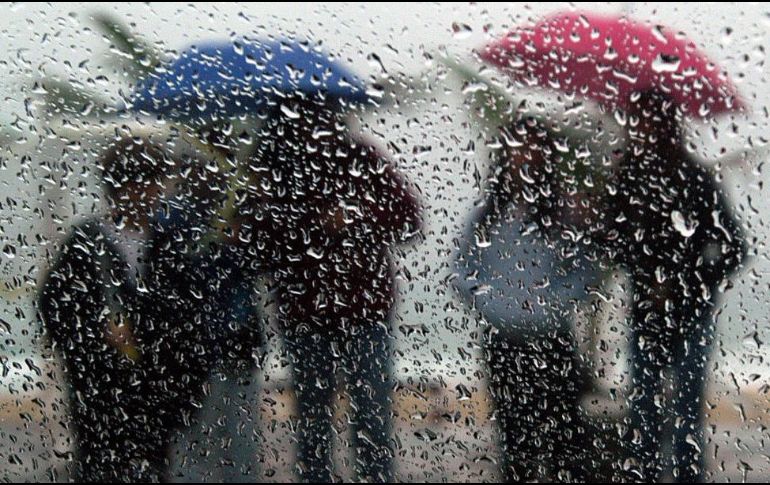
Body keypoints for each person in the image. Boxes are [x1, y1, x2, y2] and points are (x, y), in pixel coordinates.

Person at [38, 137, 259, 481]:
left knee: (155, 465)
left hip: (157, 389)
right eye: (149, 183)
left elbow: (187, 310)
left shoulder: (167, 243)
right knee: (100, 465)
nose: (157, 193)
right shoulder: (85, 244)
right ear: (124, 188)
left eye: (159, 183)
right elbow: (53, 306)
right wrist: (96, 331)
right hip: (101, 391)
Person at [241, 94, 422, 482]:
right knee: (313, 421)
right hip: (305, 312)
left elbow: (409, 221)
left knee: (371, 416)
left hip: (364, 311)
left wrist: (357, 213)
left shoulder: (361, 159)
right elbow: (258, 246)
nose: (312, 129)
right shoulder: (270, 168)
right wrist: (309, 223)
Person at [606, 90, 748, 482]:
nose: (642, 130)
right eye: (638, 122)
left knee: (685, 412)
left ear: (669, 127)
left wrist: (686, 282)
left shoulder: (695, 178)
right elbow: (609, 240)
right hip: (646, 314)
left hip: (691, 314)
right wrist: (643, 272)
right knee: (645, 413)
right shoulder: (627, 177)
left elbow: (735, 247)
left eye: (651, 122)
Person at [454, 117, 603, 482]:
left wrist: (552, 303)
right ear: (505, 155)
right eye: (518, 146)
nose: (525, 155)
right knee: (514, 436)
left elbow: (587, 274)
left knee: (564, 441)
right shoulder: (487, 215)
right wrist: (491, 303)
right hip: (503, 341)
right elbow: (462, 268)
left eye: (533, 147)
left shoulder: (563, 215)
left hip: (551, 340)